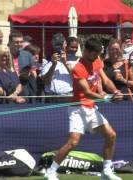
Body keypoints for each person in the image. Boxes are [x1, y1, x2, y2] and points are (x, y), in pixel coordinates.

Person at [44, 38, 123, 180]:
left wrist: (116, 91)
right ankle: (51, 171)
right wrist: (106, 98)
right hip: (77, 109)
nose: (95, 57)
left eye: (98, 54)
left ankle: (106, 171)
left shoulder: (97, 61)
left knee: (111, 135)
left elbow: (105, 80)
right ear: (86, 51)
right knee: (73, 142)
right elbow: (86, 92)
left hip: (91, 108)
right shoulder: (77, 68)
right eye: (94, 54)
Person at [40, 33, 73, 103]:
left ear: (65, 44)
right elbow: (46, 81)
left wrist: (65, 63)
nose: (59, 48)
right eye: (57, 45)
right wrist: (53, 64)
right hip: (52, 98)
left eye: (61, 44)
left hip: (69, 96)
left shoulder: (74, 60)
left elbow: (77, 78)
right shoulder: (46, 62)